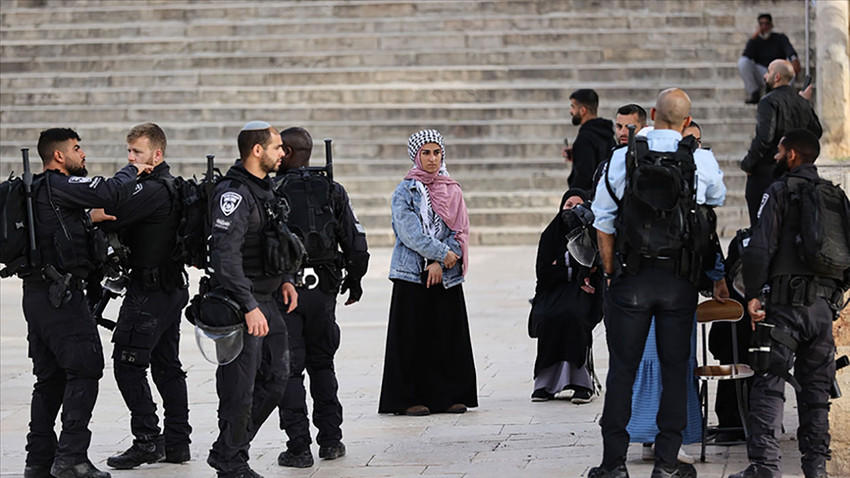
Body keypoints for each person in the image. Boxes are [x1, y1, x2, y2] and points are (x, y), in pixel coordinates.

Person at [590, 88, 727, 478]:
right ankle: (667, 463)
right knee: (674, 369)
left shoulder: (623, 157)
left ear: (652, 114)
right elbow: (716, 198)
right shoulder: (700, 159)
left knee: (622, 371)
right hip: (678, 281)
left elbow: (603, 223)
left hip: (631, 279)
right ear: (687, 121)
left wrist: (613, 271)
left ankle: (613, 463)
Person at [22, 128, 152, 478]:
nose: (83, 154)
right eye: (77, 149)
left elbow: (57, 227)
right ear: (60, 156)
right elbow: (109, 190)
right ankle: (71, 459)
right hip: (61, 297)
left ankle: (39, 461)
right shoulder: (60, 184)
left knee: (49, 378)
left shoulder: (37, 189)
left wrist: (86, 219)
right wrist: (134, 168)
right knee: (85, 368)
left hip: (38, 295)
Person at [732, 129, 845, 478]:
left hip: (784, 308)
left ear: (793, 154)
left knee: (769, 382)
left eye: (779, 152)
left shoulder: (779, 191)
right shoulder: (835, 196)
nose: (775, 158)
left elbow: (760, 248)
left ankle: (765, 468)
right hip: (823, 310)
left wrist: (752, 294)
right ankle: (816, 468)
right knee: (816, 392)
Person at [85, 123, 193, 470]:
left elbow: (109, 207)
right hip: (166, 287)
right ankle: (176, 443)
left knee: (128, 365)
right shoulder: (165, 185)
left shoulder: (153, 189)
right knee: (166, 366)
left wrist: (122, 179)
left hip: (150, 292)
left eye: (138, 153)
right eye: (128, 152)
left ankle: (148, 440)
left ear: (157, 155)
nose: (131, 158)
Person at [205, 121, 298, 478]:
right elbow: (224, 258)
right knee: (239, 389)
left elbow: (277, 235)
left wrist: (286, 279)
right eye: (276, 147)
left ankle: (229, 449)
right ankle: (231, 459)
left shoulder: (265, 188)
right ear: (256, 151)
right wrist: (248, 306)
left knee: (277, 377)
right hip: (241, 304)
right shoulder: (235, 194)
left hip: (268, 298)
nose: (282, 153)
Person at [274, 127, 370, 468]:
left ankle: (298, 447)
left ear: (285, 151)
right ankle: (331, 440)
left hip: (287, 294)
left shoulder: (273, 190)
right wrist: (355, 282)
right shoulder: (332, 189)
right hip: (325, 291)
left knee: (289, 371)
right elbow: (356, 242)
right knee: (322, 364)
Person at [378, 129, 477, 416]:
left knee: (445, 335)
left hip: (444, 273)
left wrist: (442, 261)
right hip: (412, 274)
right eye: (426, 153)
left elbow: (459, 231)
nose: (432, 159)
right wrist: (439, 254)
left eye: (436, 152)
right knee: (412, 337)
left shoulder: (452, 189)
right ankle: (408, 399)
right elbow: (409, 233)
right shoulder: (405, 190)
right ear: (415, 156)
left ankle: (448, 396)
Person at [529, 188, 603, 404]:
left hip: (583, 292)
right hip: (552, 293)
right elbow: (543, 273)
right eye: (568, 205)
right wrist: (575, 269)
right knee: (550, 316)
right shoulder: (550, 235)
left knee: (574, 315)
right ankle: (545, 385)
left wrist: (561, 264)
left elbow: (594, 266)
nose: (572, 210)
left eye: (578, 206)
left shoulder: (593, 234)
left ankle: (581, 384)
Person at [741, 59, 822, 227]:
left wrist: (748, 164)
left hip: (768, 172)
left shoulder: (768, 101)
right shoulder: (801, 102)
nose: (764, 76)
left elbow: (764, 138)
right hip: (795, 171)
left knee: (762, 224)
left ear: (777, 77)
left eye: (768, 72)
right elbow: (817, 132)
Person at [738, 13, 801, 104]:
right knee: (742, 62)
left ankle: (784, 94)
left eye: (766, 24)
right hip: (763, 74)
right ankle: (755, 93)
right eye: (761, 24)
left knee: (789, 65)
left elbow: (789, 50)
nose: (764, 27)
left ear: (771, 25)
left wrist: (794, 59)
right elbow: (746, 56)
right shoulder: (755, 40)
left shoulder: (780, 38)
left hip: (778, 74)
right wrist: (754, 38)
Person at [564, 89, 616, 191]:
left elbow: (583, 176)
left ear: (583, 110)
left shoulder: (585, 138)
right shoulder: (607, 133)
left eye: (573, 107)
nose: (571, 111)